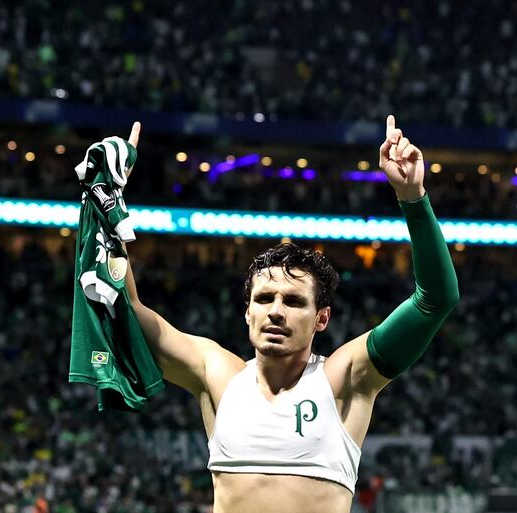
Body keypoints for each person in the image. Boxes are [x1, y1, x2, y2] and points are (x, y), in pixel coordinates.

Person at [121, 115, 459, 513]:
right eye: (264, 299)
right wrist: (106, 206)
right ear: (247, 312)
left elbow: (435, 298)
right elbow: (125, 313)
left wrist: (413, 198)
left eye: (294, 301)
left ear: (322, 318)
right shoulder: (216, 375)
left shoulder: (344, 378)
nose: (276, 312)